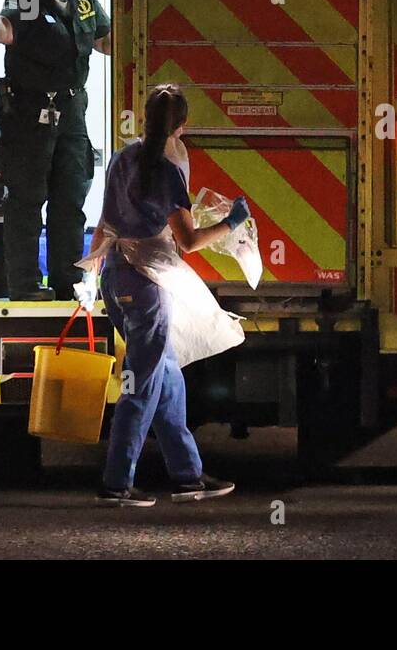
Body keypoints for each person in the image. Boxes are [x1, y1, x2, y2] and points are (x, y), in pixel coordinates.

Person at [83, 84, 250, 507]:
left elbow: (104, 222)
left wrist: (91, 273)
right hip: (150, 282)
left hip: (117, 275)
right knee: (140, 384)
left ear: (145, 118)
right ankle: (116, 483)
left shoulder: (122, 158)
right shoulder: (168, 170)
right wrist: (232, 223)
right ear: (183, 126)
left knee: (167, 377)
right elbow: (190, 241)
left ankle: (188, 476)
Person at [0, 0, 110, 301]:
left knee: (70, 199)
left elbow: (103, 38)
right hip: (28, 115)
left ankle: (67, 281)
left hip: (70, 113)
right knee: (26, 200)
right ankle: (24, 285)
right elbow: (6, 25)